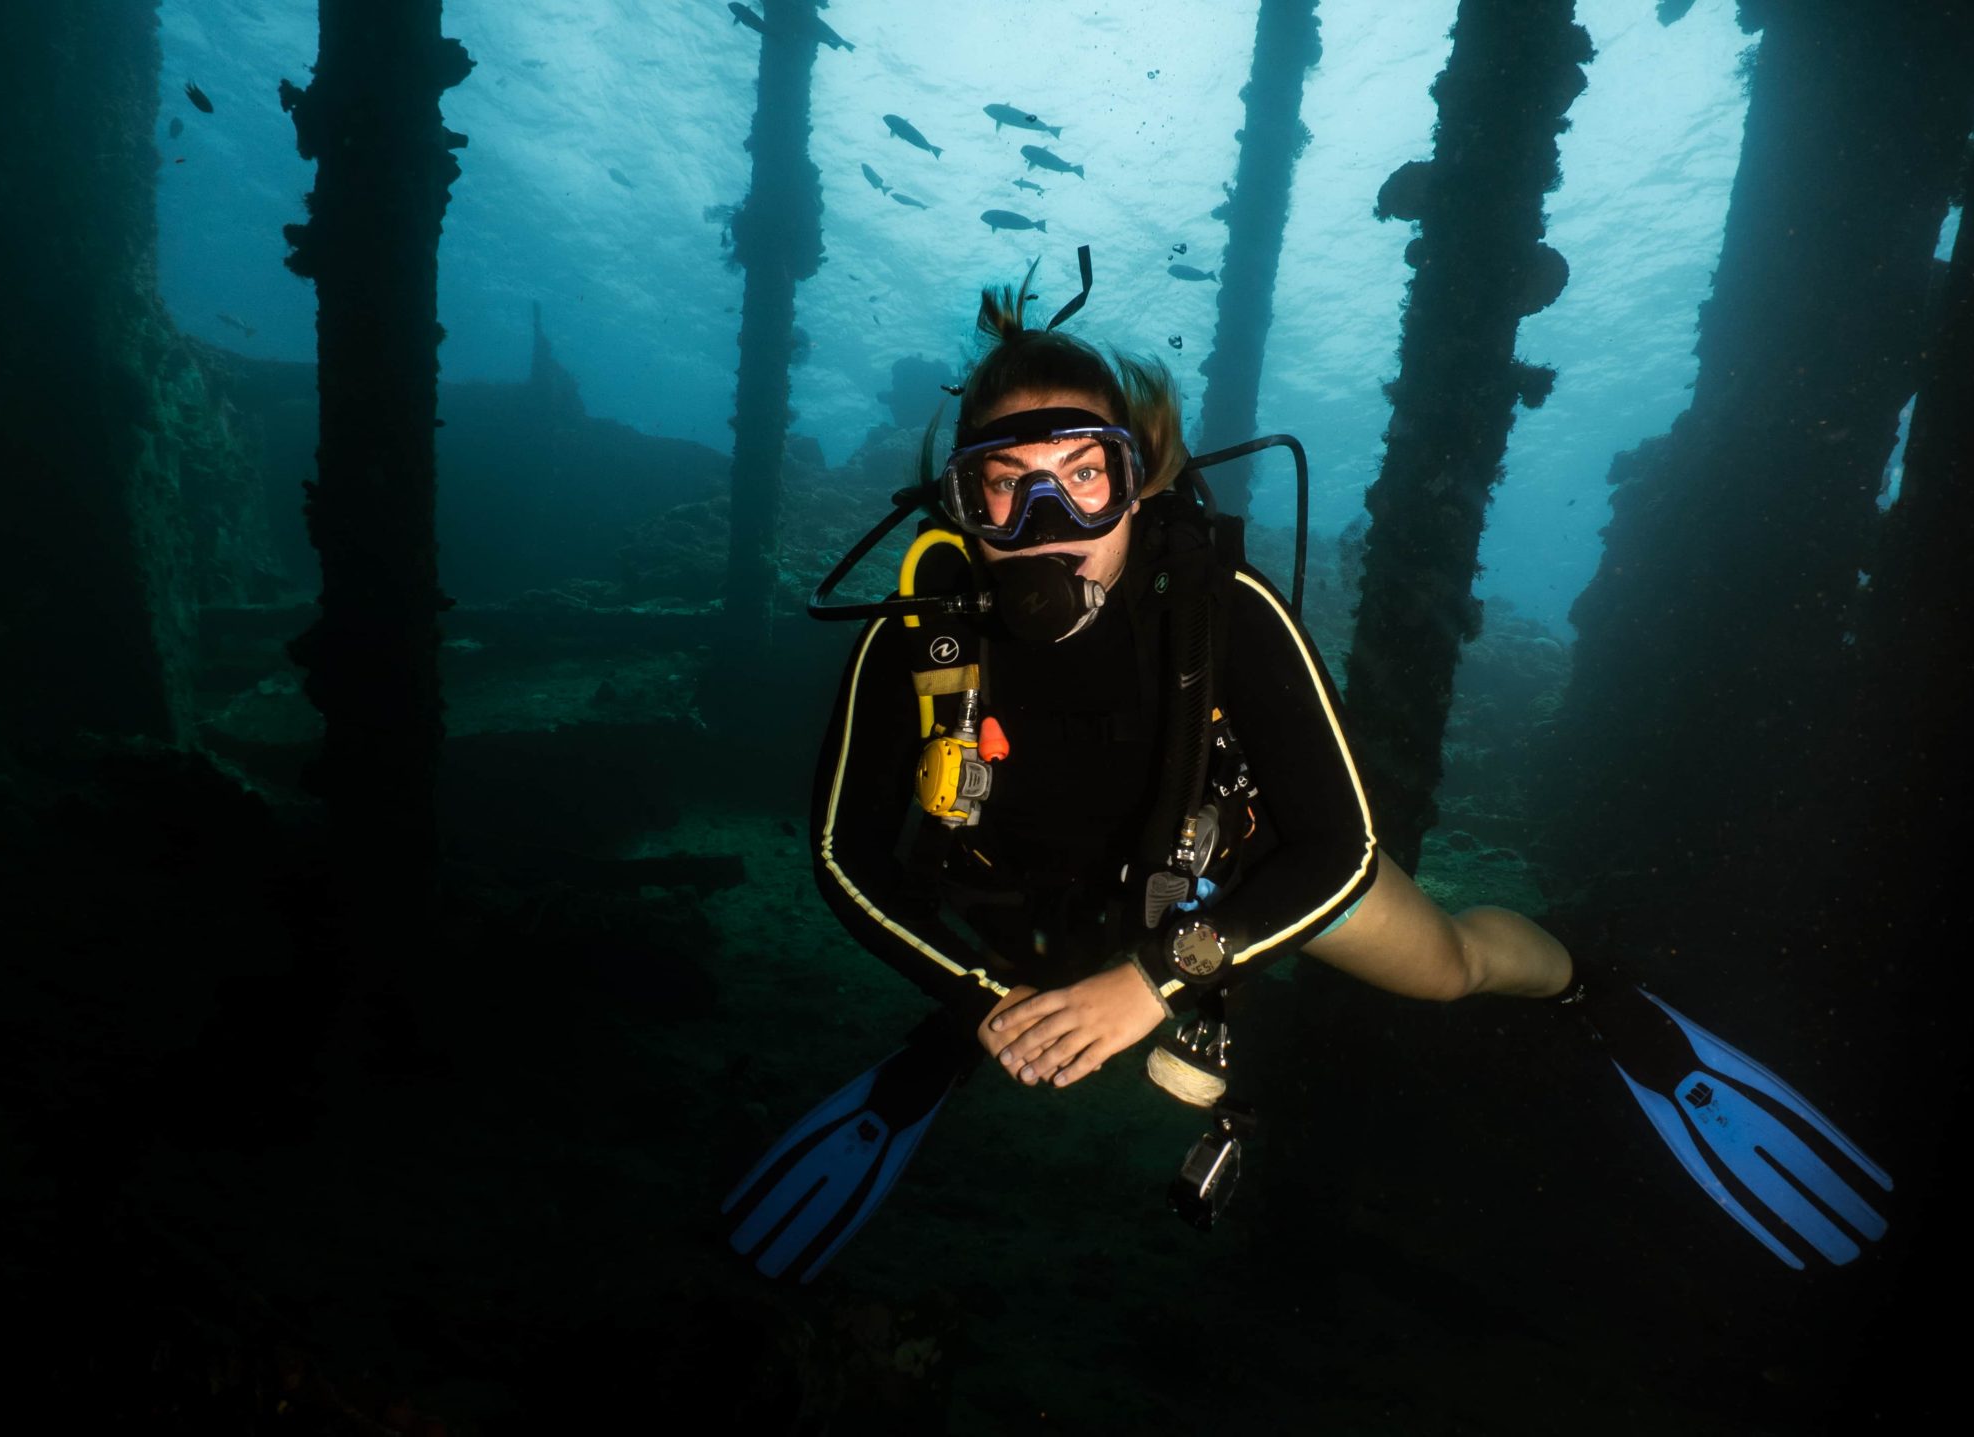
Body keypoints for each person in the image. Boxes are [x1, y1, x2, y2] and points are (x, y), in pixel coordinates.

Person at [721, 272, 1891, 1283]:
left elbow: (1331, 852)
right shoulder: (913, 643)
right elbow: (843, 856)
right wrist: (981, 999)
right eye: (1005, 481)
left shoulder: (1221, 612)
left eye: (1085, 474)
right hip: (1032, 903)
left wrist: (1147, 982)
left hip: (1240, 873)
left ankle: (1594, 991)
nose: (1045, 516)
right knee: (1006, 977)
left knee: (1444, 970)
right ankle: (967, 1034)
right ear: (962, 502)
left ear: (1142, 479)